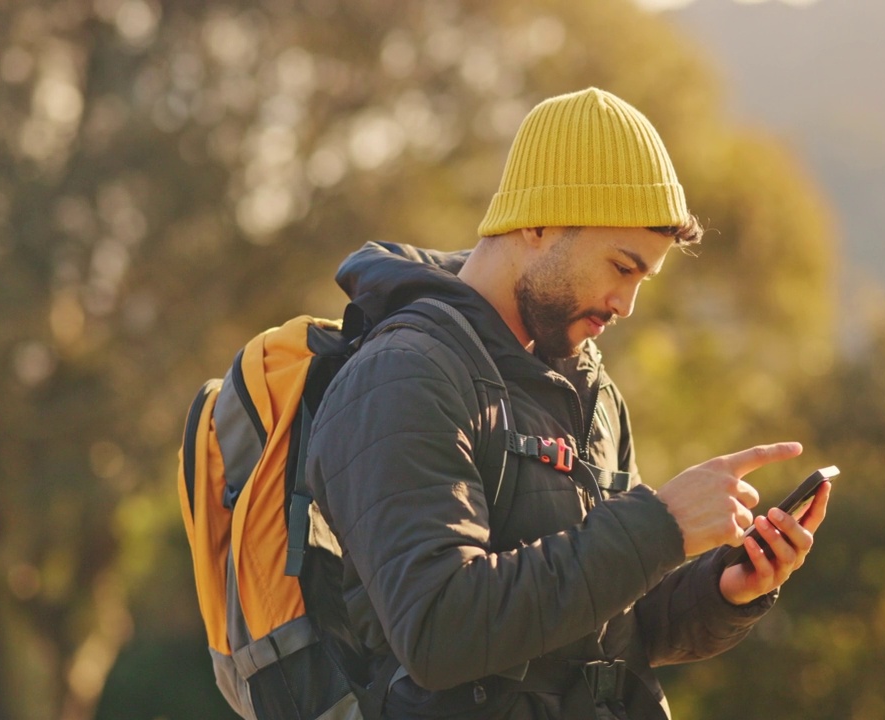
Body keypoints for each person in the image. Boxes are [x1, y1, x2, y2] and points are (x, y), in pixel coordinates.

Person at [305, 87, 831, 720]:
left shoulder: (591, 390)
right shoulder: (401, 377)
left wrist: (725, 590)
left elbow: (613, 627)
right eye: (620, 266)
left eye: (641, 279)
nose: (626, 304)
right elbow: (440, 629)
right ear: (538, 223)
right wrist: (659, 525)